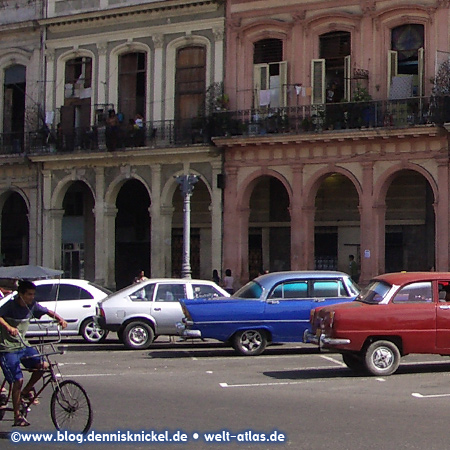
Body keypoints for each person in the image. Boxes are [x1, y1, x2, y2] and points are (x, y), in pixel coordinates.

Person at [0, 280, 67, 427]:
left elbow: (47, 311)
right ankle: (17, 416)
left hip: (23, 346)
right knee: (17, 380)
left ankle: (26, 391)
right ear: (21, 294)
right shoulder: (10, 306)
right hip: (7, 348)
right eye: (29, 294)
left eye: (33, 294)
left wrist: (60, 319)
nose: (32, 297)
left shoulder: (32, 306)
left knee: (43, 366)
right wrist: (8, 326)